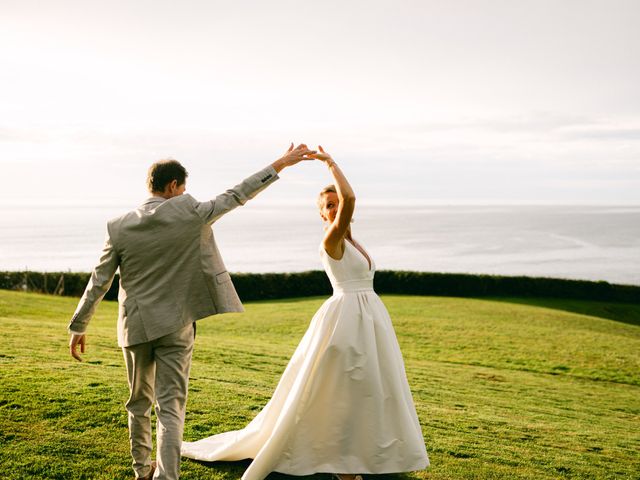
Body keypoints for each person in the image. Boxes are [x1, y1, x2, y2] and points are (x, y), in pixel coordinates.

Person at [67, 143, 316, 480]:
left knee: (138, 404)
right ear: (173, 186)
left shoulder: (119, 226)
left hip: (135, 326)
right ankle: (166, 477)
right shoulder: (192, 213)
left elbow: (100, 280)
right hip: (176, 326)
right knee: (170, 409)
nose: (186, 194)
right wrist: (281, 164)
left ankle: (142, 472)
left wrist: (79, 325)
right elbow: (237, 194)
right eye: (183, 188)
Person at [181, 146, 429, 480]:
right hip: (346, 321)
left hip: (369, 317)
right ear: (323, 215)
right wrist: (329, 164)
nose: (335, 206)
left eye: (335, 203)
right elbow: (351, 199)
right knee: (340, 390)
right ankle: (344, 468)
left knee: (368, 389)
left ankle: (358, 456)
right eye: (328, 206)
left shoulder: (354, 241)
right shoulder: (332, 239)